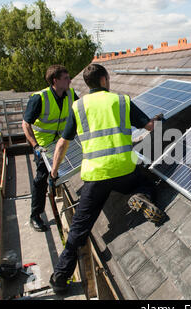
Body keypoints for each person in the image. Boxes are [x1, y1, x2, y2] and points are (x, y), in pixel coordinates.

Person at [48, 63, 165, 294]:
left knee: (79, 228)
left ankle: (60, 278)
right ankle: (141, 196)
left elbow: (62, 143)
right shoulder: (121, 101)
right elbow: (151, 127)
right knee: (148, 183)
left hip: (96, 176)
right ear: (103, 80)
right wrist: (159, 121)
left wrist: (54, 172)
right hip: (124, 171)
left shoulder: (77, 106)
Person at [22, 65, 79, 232]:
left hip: (62, 141)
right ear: (55, 80)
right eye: (66, 78)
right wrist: (35, 146)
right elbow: (26, 124)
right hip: (44, 146)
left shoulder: (70, 94)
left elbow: (81, 111)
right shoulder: (39, 98)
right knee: (40, 179)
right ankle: (35, 215)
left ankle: (55, 183)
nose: (70, 80)